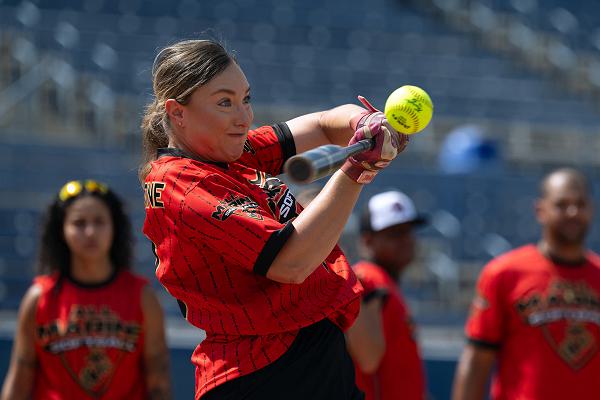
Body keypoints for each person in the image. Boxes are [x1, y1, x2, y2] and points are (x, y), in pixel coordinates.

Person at [140, 38, 409, 399]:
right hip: (262, 373)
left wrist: (365, 122)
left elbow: (323, 126)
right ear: (177, 113)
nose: (244, 116)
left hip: (307, 359)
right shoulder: (181, 181)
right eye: (225, 103)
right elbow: (290, 262)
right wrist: (357, 168)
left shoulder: (228, 153)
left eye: (245, 99)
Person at [1, 180, 171, 400]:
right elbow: (19, 381)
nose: (90, 232)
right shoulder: (39, 298)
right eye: (79, 223)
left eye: (99, 221)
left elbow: (158, 383)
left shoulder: (142, 297)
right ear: (61, 230)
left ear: (114, 227)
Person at [452, 168, 600, 400]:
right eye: (562, 204)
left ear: (591, 209)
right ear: (540, 210)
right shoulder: (505, 273)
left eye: (580, 204)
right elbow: (477, 359)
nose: (573, 212)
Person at [346, 190, 427, 400]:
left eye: (408, 231)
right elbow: (368, 359)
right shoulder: (367, 279)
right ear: (368, 240)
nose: (405, 240)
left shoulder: (385, 282)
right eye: (394, 233)